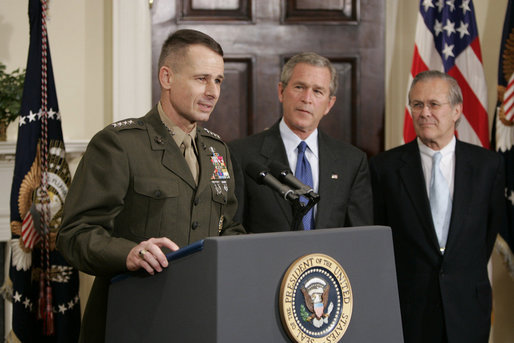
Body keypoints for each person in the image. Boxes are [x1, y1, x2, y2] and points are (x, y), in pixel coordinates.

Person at [56, 29, 245, 343]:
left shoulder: (218, 151)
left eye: (219, 80)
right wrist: (129, 252)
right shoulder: (119, 145)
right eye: (201, 79)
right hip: (132, 321)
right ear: (167, 77)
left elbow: (229, 228)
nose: (213, 91)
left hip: (201, 320)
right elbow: (74, 234)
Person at [369, 70, 506, 343]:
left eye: (434, 104)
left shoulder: (488, 166)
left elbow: (486, 234)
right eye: (417, 104)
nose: (424, 112)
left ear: (457, 110)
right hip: (409, 309)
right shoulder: (384, 168)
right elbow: (379, 238)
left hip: (468, 307)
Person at [229, 52, 372, 233]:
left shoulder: (351, 161)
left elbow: (360, 236)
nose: (307, 98)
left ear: (329, 104)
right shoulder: (241, 154)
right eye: (299, 87)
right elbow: (233, 230)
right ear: (281, 91)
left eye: (317, 91)